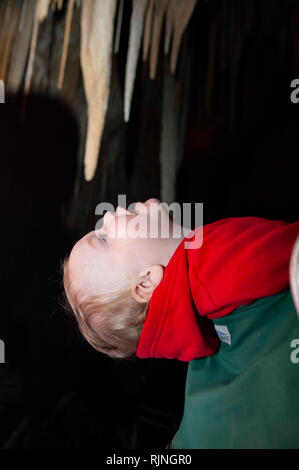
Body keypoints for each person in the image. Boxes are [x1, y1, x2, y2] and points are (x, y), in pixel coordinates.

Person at [62, 198, 299, 448]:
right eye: (103, 238)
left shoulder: (204, 307)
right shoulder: (210, 263)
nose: (108, 217)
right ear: (145, 283)